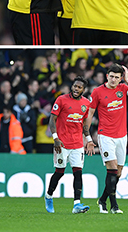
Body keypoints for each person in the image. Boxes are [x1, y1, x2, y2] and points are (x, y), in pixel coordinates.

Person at [86, 64, 128, 213]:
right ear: (107, 76)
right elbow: (90, 114)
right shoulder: (98, 91)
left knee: (118, 173)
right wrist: (88, 138)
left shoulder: (123, 89)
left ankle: (102, 199)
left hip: (122, 136)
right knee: (111, 170)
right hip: (106, 135)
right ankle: (113, 206)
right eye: (111, 76)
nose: (113, 79)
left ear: (120, 79)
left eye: (117, 77)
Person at [43, 77, 93, 214]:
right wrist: (55, 138)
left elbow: (84, 125)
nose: (76, 89)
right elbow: (52, 120)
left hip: (77, 144)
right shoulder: (61, 100)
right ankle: (48, 196)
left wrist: (88, 140)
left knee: (78, 173)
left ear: (84, 90)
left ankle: (77, 204)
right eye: (75, 86)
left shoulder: (86, 104)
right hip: (62, 143)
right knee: (59, 172)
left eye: (79, 87)